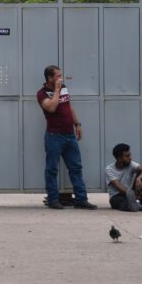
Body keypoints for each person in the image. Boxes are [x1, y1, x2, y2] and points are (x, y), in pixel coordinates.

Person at [37, 65, 97, 210]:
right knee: (52, 169)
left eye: (61, 75)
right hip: (54, 136)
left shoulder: (64, 87)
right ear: (50, 78)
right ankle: (53, 199)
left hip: (69, 134)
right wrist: (56, 90)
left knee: (76, 167)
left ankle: (81, 199)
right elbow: (51, 108)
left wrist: (77, 123)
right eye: (57, 76)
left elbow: (68, 106)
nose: (60, 78)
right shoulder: (42, 93)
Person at [105, 143, 142, 212]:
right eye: (127, 156)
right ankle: (132, 205)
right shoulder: (109, 169)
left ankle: (136, 202)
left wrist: (139, 178)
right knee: (121, 202)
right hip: (117, 196)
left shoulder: (130, 164)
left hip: (132, 193)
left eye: (130, 155)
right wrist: (132, 196)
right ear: (119, 158)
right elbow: (119, 187)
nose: (130, 158)